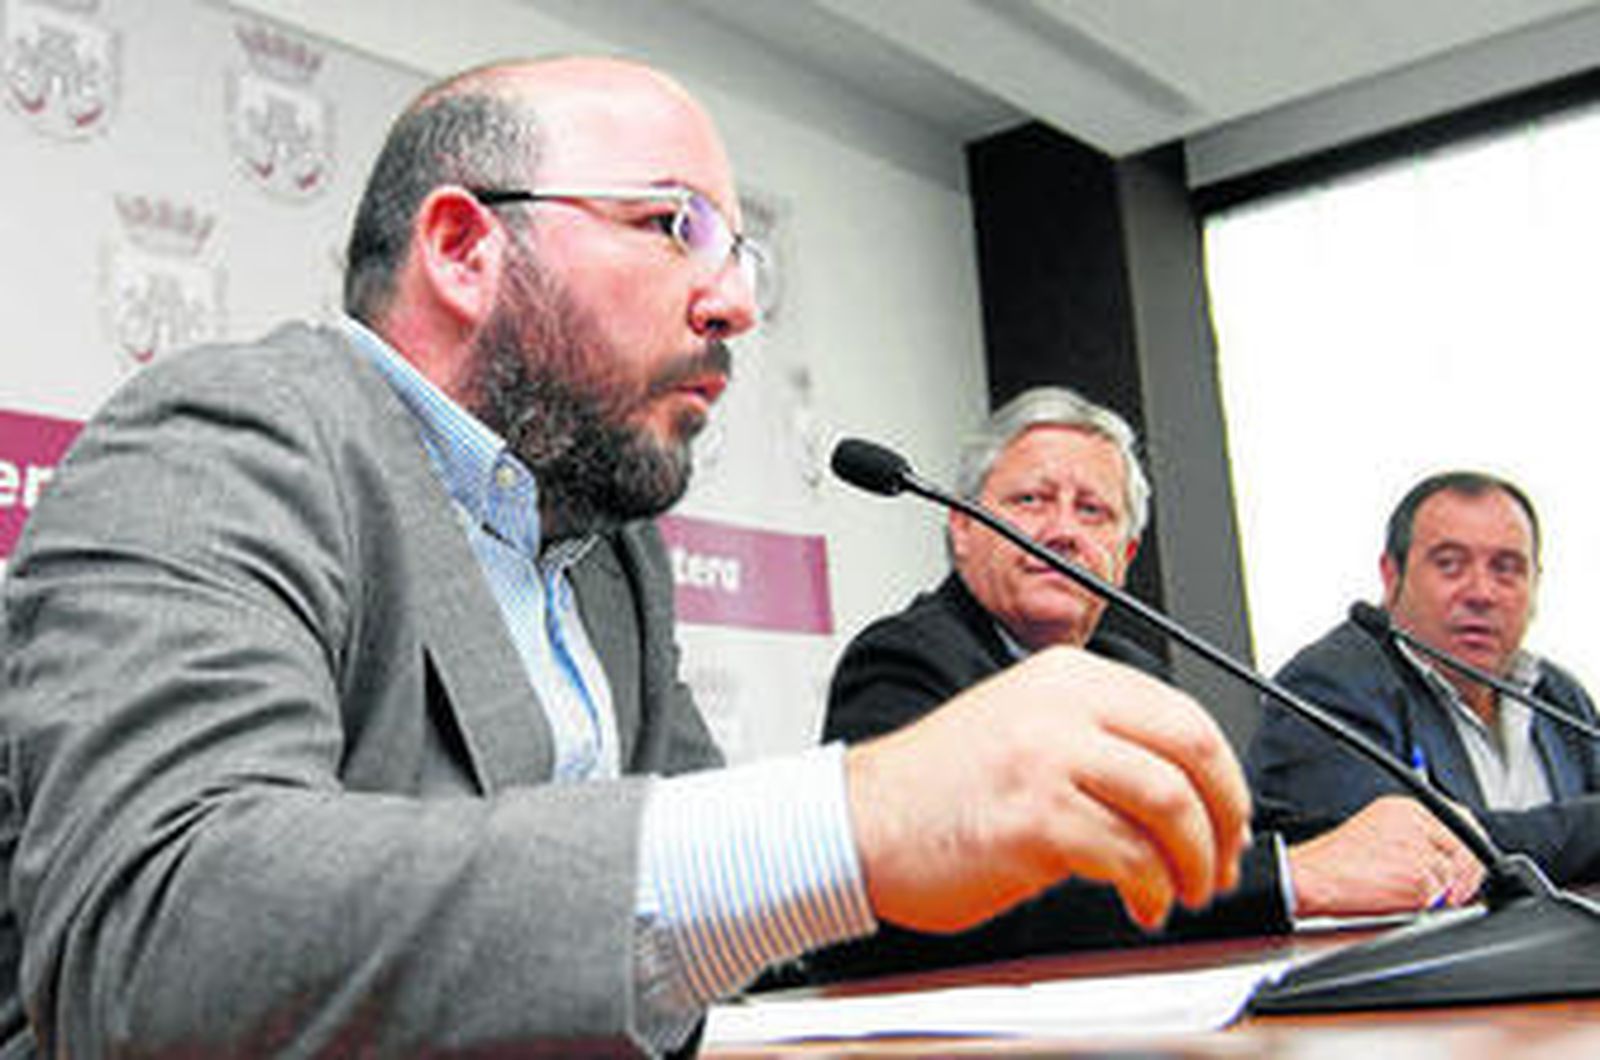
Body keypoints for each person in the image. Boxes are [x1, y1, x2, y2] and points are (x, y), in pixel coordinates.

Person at [0, 57, 1253, 1057]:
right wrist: (855, 818)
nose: (736, 304)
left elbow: (714, 932)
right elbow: (148, 945)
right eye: (672, 225)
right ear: (464, 248)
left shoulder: (614, 556)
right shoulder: (223, 437)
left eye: (738, 254)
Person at [811, 388, 1483, 981]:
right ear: (962, 529)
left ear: (1125, 557)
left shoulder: (1129, 671)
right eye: (1031, 501)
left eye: (1094, 511)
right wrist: (1290, 877)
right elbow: (961, 895)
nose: (1063, 532)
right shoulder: (906, 659)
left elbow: (1236, 827)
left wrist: (1402, 837)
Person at [1249, 471, 1600, 885]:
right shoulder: (1329, 687)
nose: (1481, 593)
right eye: (1450, 565)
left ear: (1535, 584)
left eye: (1506, 570)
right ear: (1391, 575)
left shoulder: (1558, 697)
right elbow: (1401, 859)